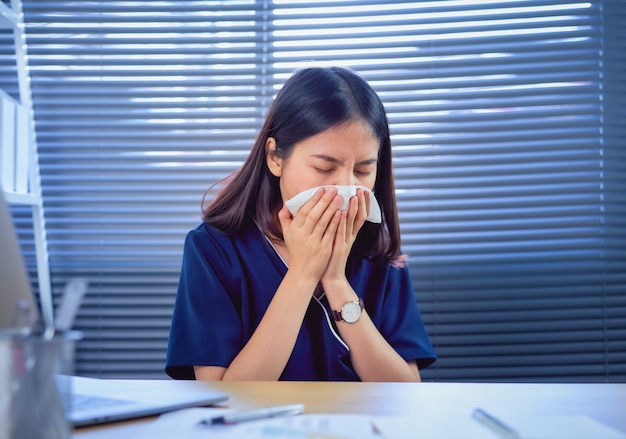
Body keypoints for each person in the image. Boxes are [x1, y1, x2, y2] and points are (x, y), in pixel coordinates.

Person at [166, 66, 436, 381]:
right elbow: (221, 393)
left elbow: (405, 390)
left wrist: (336, 282)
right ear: (275, 158)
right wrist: (304, 274)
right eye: (324, 167)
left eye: (363, 171)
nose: (345, 189)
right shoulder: (213, 248)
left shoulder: (379, 252)